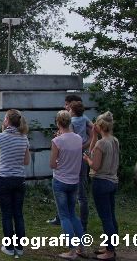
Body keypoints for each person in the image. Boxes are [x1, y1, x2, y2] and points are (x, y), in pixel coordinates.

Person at [47, 94, 93, 226]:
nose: (65, 107)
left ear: (73, 106)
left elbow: (91, 134)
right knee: (63, 186)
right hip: (72, 156)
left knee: (80, 193)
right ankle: (61, 217)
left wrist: (80, 147)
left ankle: (81, 223)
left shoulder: (79, 120)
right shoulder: (69, 119)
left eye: (68, 105)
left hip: (80, 157)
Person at [0, 109, 30, 257]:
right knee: (18, 214)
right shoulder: (24, 138)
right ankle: (19, 247)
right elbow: (26, 161)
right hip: (19, 178)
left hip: (4, 178)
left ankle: (8, 247)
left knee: (7, 214)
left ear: (7, 120)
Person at [50, 110, 85, 260]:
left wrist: (59, 163)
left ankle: (71, 250)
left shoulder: (57, 141)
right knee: (73, 215)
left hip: (60, 181)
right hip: (74, 181)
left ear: (58, 123)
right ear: (69, 122)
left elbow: (52, 163)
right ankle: (81, 247)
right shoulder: (78, 139)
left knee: (64, 216)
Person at [83, 112, 119, 260]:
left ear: (100, 126)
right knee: (111, 216)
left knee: (106, 218)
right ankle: (110, 246)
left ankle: (110, 252)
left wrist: (87, 160)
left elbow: (95, 165)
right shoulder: (114, 140)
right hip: (113, 181)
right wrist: (94, 137)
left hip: (101, 182)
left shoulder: (101, 143)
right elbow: (94, 151)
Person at [69, 101, 92, 232]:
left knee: (70, 188)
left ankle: (71, 220)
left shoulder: (71, 121)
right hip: (83, 152)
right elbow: (93, 127)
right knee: (82, 190)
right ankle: (83, 224)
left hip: (74, 153)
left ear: (73, 110)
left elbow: (70, 136)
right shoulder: (84, 118)